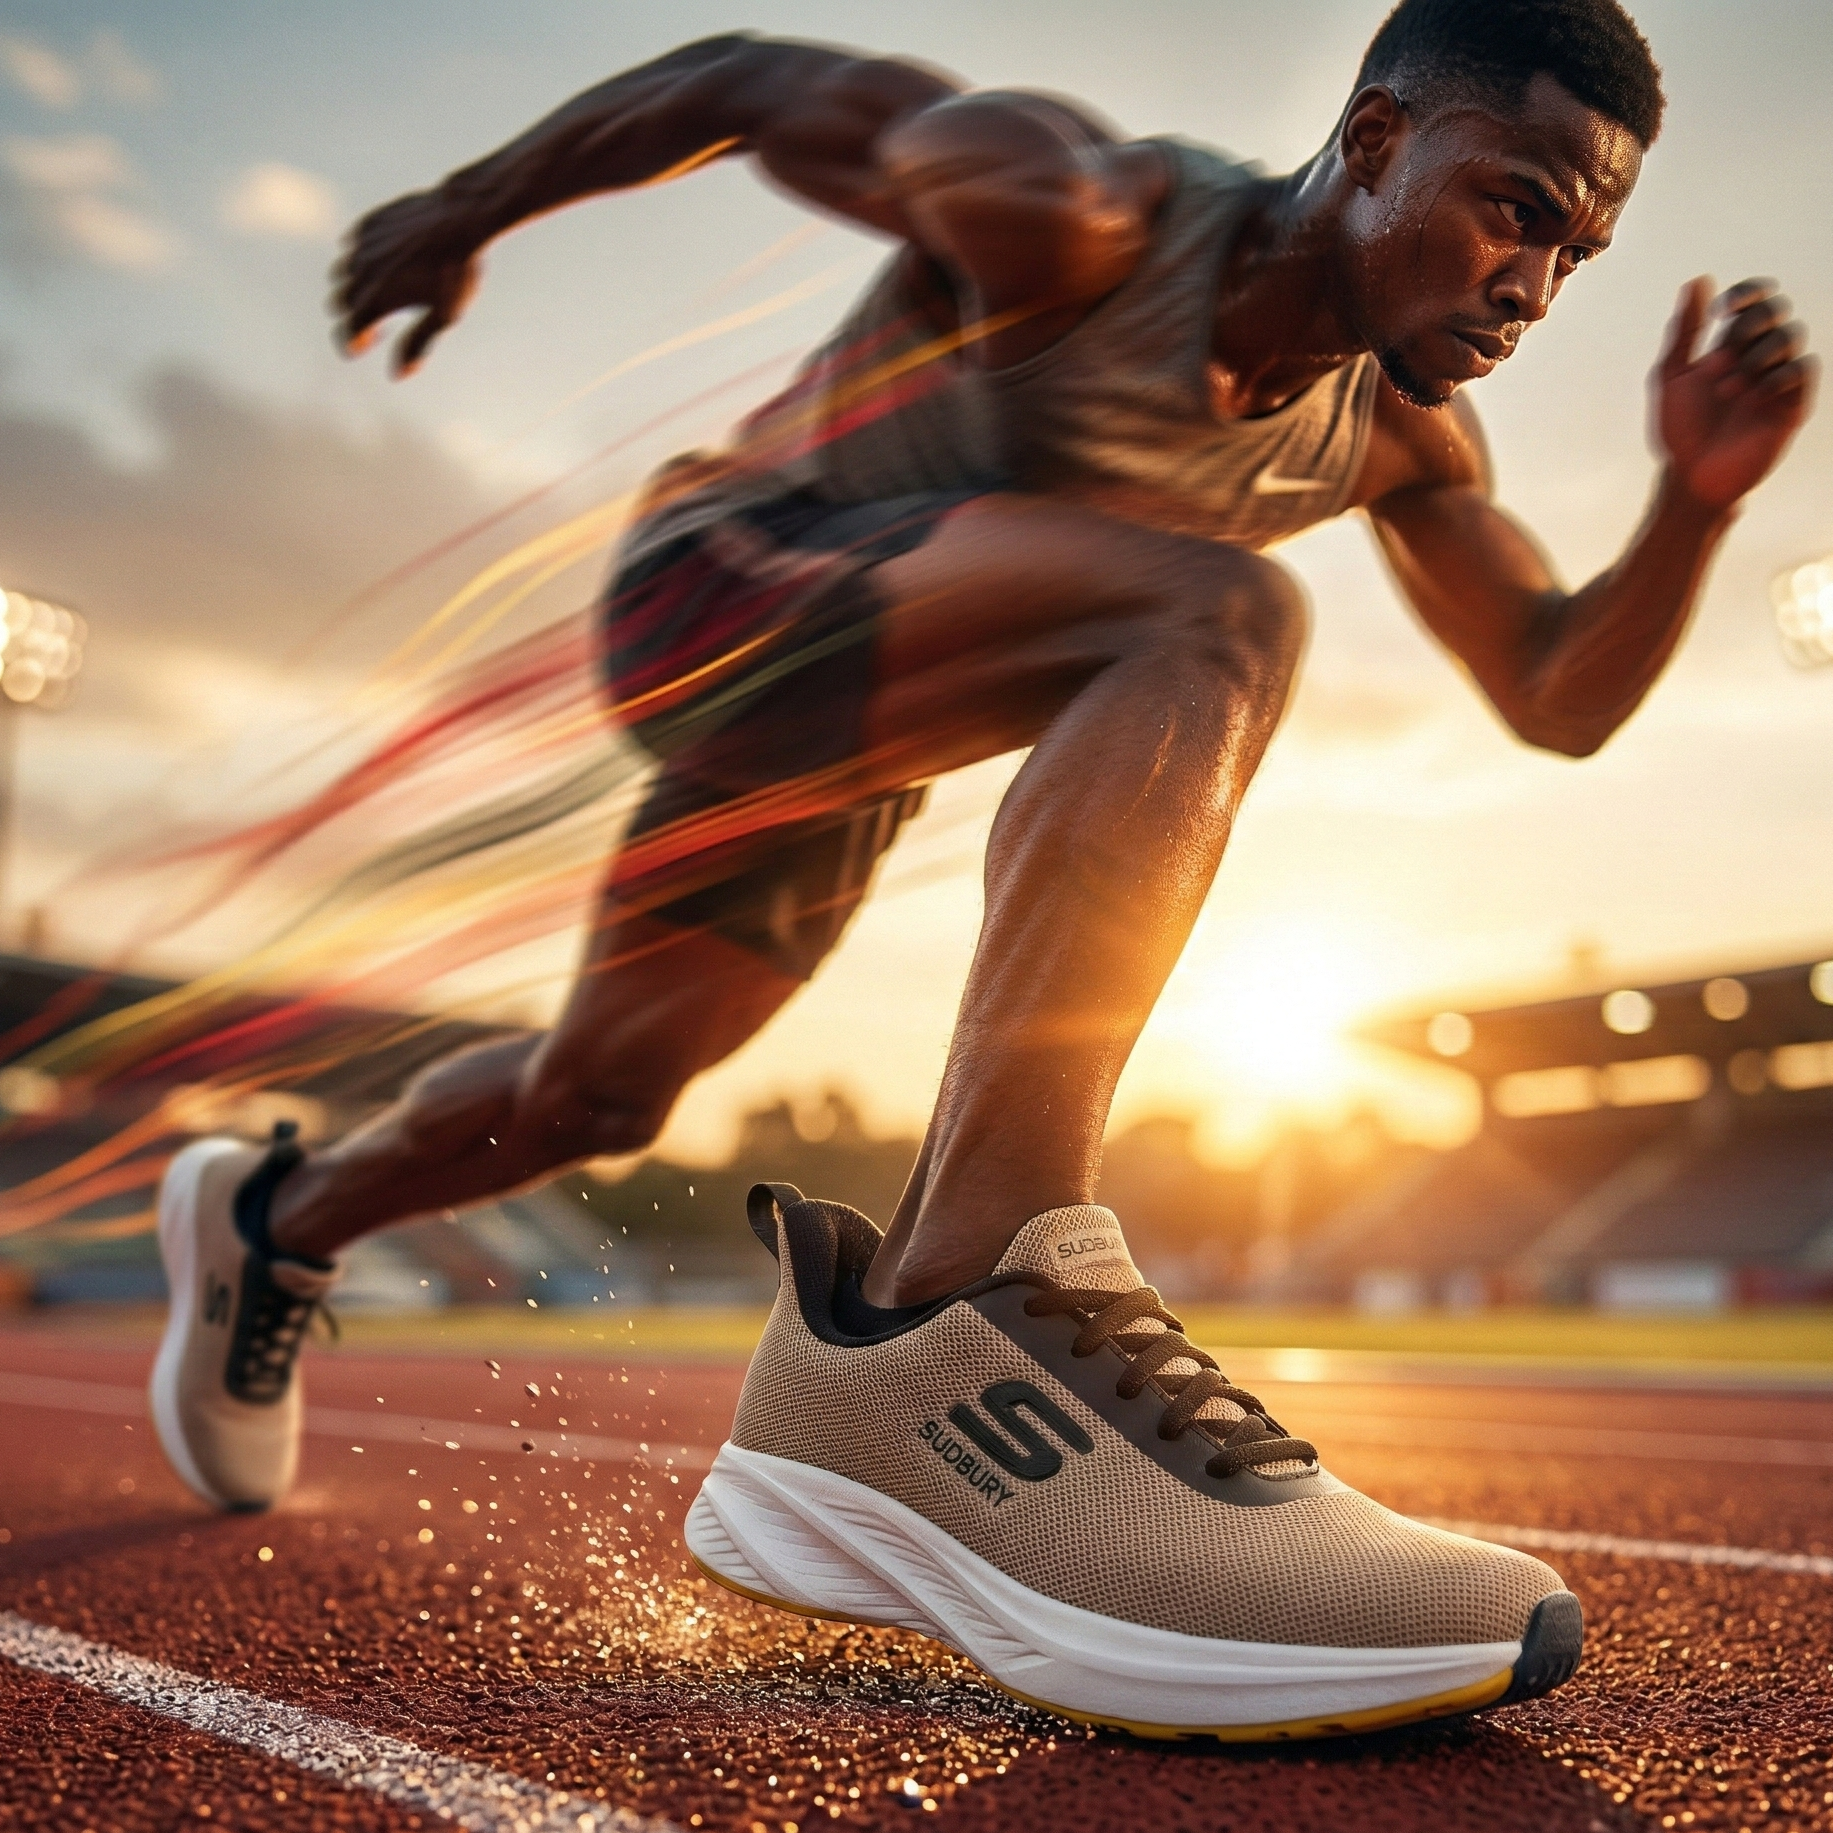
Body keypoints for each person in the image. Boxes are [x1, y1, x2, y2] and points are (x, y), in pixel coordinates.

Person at [148, 0, 1813, 1734]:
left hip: (859, 724)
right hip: (726, 588)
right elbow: (742, 83)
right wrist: (462, 209)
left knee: (599, 1092)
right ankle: (971, 1292)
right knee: (1221, 616)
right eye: (1515, 209)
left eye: (1577, 255)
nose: (1532, 286)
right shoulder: (1073, 216)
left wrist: (1693, 506)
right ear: (1381, 139)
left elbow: (1552, 692)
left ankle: (274, 1220)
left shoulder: (1398, 433)